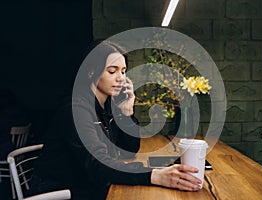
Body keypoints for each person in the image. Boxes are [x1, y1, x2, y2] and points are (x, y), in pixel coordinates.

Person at [29, 40, 201, 200]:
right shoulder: (75, 109)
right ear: (91, 72)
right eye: (112, 71)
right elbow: (97, 164)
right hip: (61, 192)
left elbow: (129, 150)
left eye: (123, 71)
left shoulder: (106, 107)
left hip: (86, 185)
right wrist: (153, 175)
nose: (121, 78)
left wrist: (126, 112)